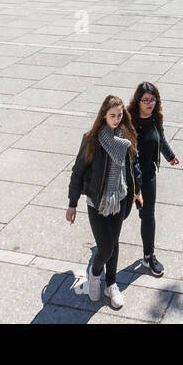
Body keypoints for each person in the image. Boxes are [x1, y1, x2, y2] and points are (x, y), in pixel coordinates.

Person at [66, 95, 143, 310]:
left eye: (120, 115)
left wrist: (137, 191)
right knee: (106, 248)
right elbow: (77, 172)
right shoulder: (92, 139)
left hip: (120, 198)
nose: (117, 119)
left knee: (114, 242)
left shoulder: (126, 137)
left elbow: (133, 166)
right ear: (103, 115)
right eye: (112, 116)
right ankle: (95, 273)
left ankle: (111, 284)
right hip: (97, 202)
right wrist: (72, 204)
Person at [127, 83, 179, 278]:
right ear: (138, 101)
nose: (149, 103)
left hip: (149, 175)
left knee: (148, 215)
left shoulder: (156, 118)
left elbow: (162, 139)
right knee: (118, 215)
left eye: (152, 99)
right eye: (145, 100)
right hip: (129, 177)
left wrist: (170, 156)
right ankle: (104, 248)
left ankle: (149, 257)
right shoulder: (129, 121)